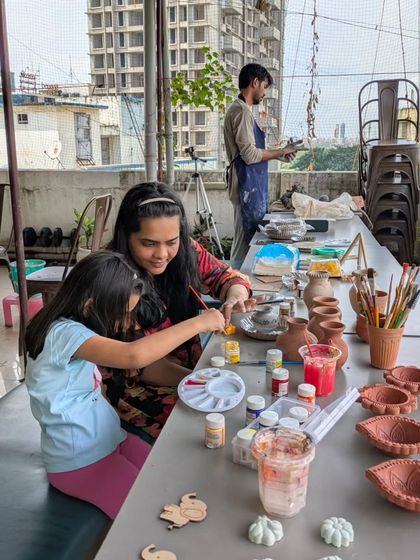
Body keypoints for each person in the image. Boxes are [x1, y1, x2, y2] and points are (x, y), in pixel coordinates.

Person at [25, 251, 225, 519]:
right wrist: (200, 322)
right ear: (89, 307)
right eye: (122, 315)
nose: (125, 323)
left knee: (170, 476)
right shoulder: (63, 334)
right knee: (151, 513)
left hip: (108, 440)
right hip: (80, 462)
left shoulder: (71, 326)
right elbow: (134, 355)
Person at [108, 181, 257, 442]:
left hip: (190, 372)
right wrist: (203, 383)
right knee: (214, 431)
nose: (162, 254)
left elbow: (226, 276)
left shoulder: (185, 251)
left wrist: (234, 298)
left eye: (171, 241)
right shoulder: (113, 281)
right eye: (148, 243)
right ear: (126, 235)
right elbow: (145, 366)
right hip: (141, 390)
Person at [224, 63, 298, 261]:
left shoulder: (243, 110)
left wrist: (279, 155)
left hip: (250, 186)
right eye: (264, 87)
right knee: (243, 243)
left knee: (250, 239)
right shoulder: (241, 111)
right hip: (244, 185)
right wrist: (280, 151)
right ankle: (234, 284)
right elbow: (248, 154)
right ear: (255, 82)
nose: (264, 93)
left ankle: (240, 283)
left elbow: (251, 151)